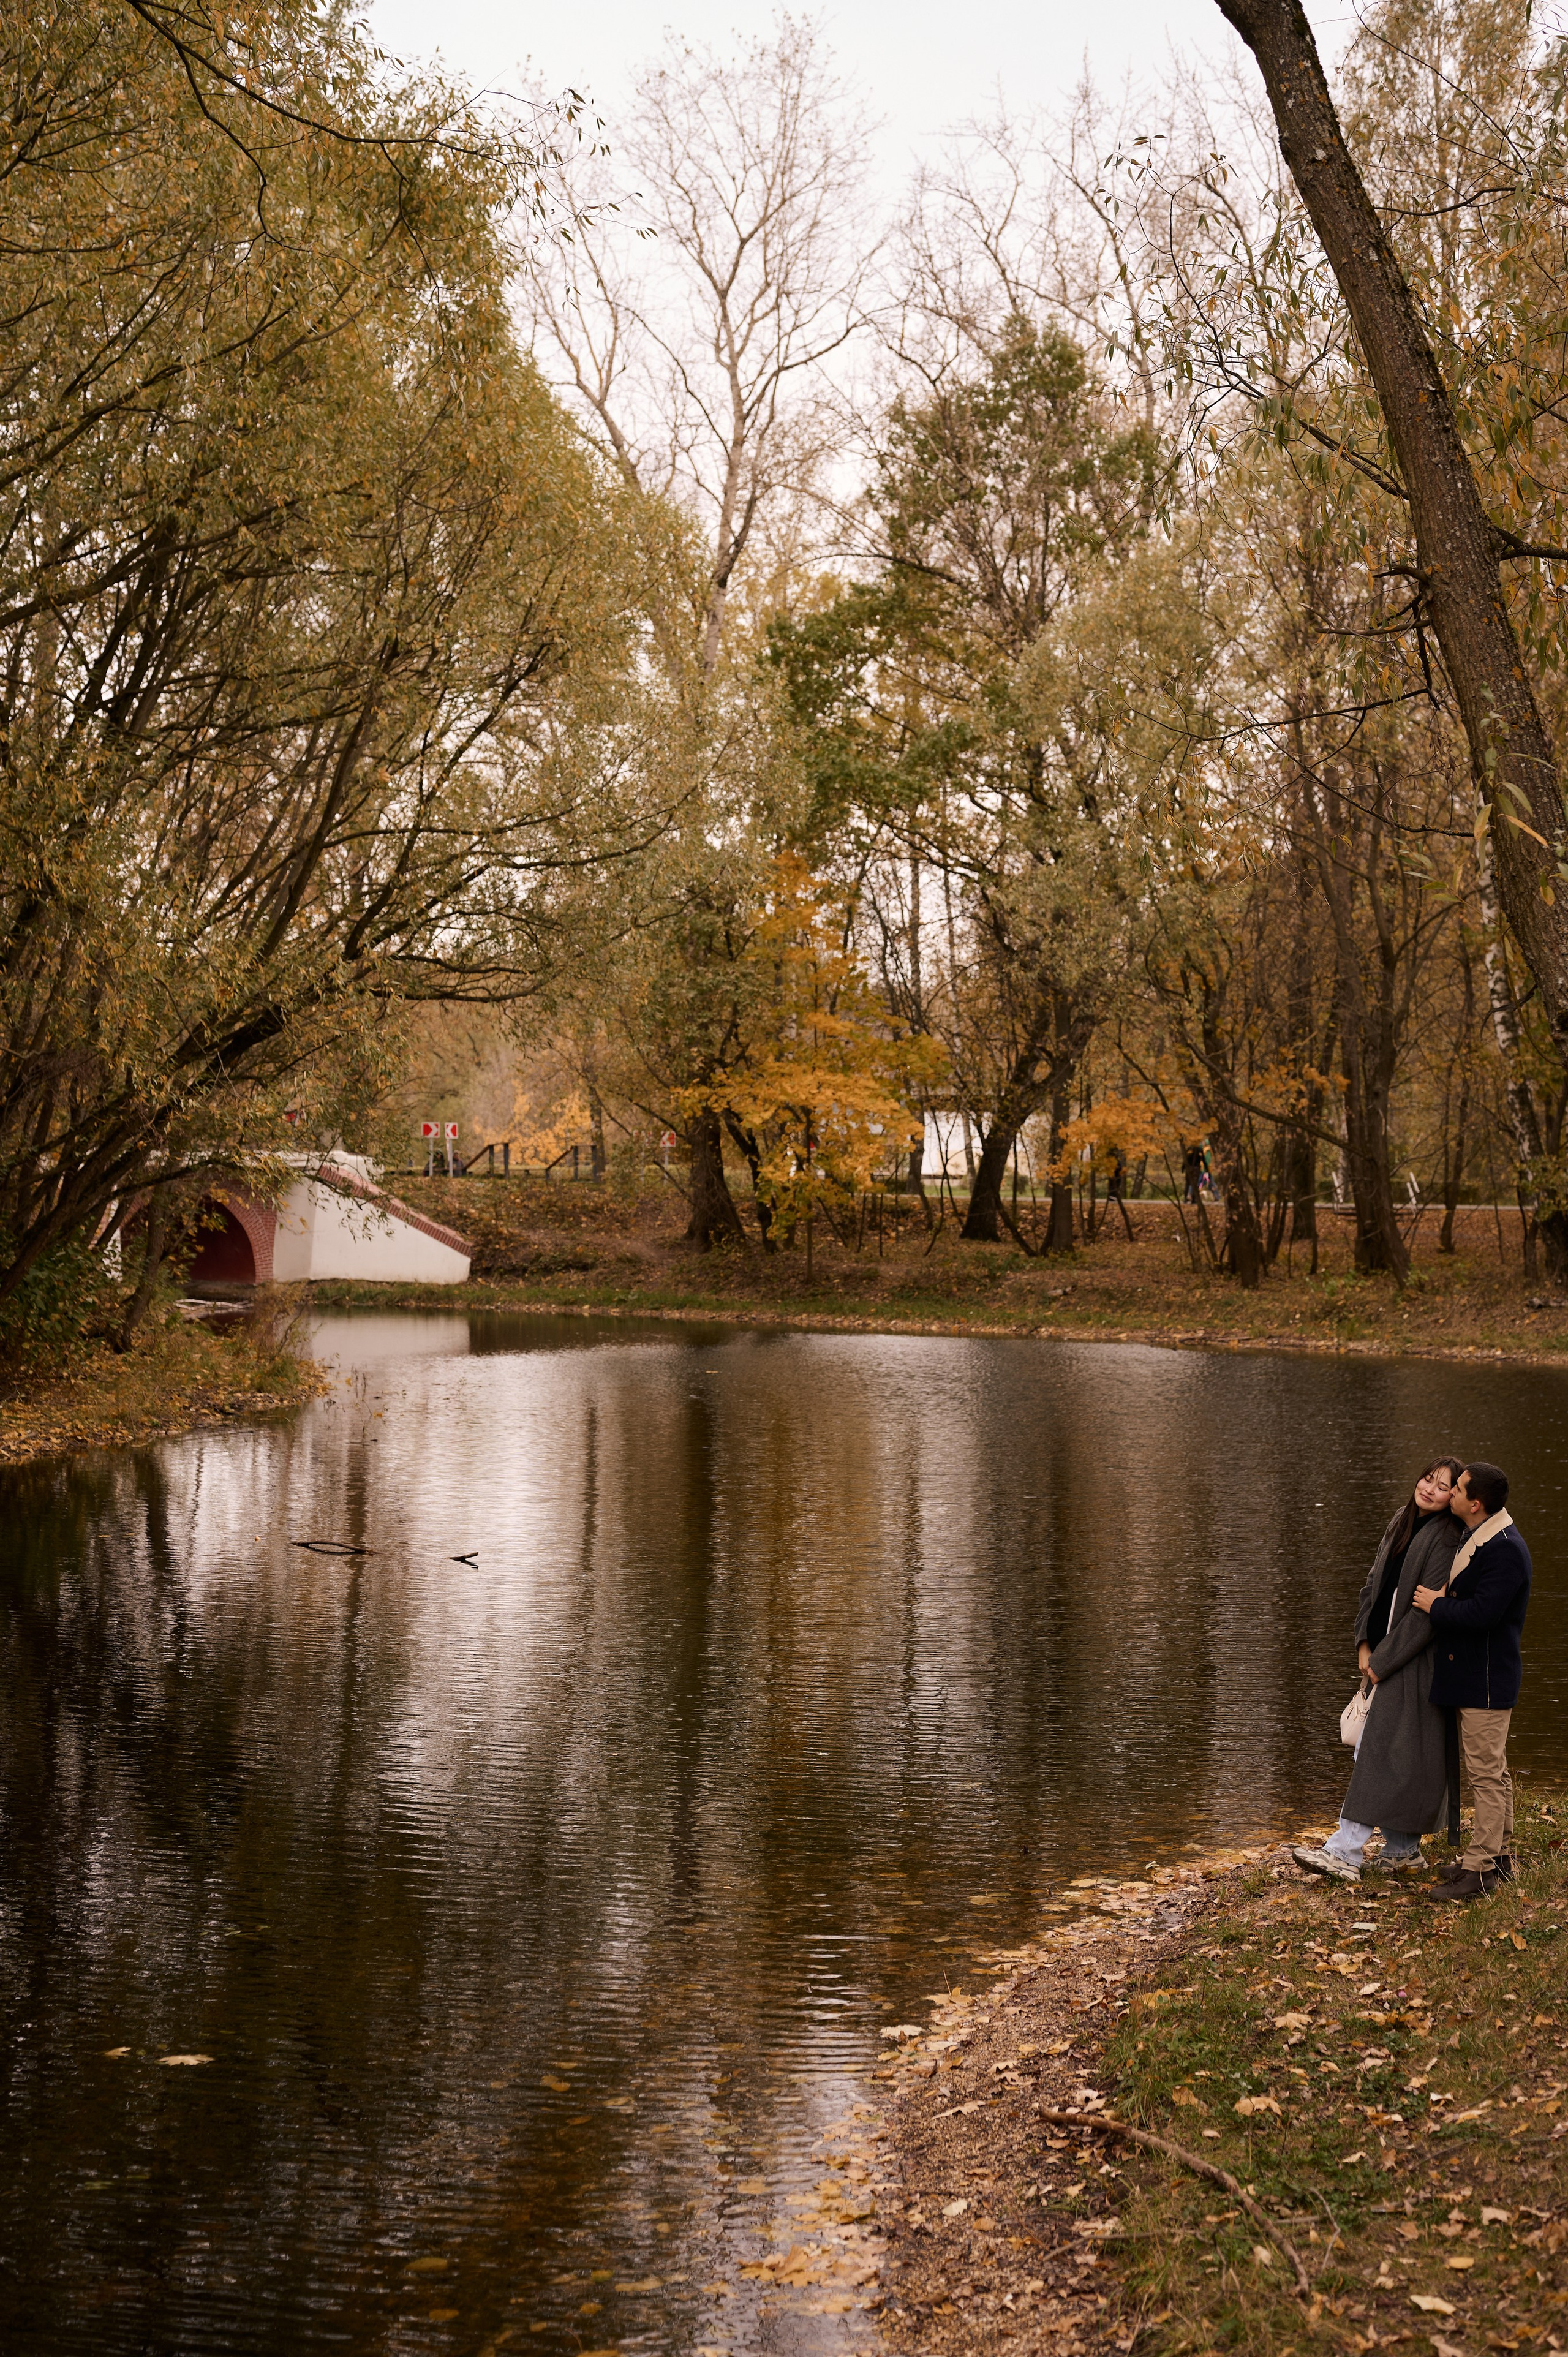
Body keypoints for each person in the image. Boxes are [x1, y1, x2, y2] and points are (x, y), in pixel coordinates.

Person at [1293, 1454, 1464, 1883]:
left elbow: (1426, 1616)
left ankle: (1345, 1852)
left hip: (1411, 1663)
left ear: (1454, 1497)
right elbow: (1372, 1585)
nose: (1429, 1488)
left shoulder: (1446, 1539)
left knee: (1380, 1753)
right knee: (1393, 1755)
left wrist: (1384, 1662)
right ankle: (1403, 1851)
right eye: (1427, 1478)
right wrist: (1364, 1645)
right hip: (1380, 1659)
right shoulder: (1400, 1521)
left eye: (1443, 1486)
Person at [1412, 1461, 1531, 1903]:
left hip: (1486, 1680)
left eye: (1457, 1489)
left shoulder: (1504, 1549)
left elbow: (1483, 1615)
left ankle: (1480, 1870)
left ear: (1475, 1503)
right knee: (1493, 1770)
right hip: (1476, 1676)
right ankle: (1498, 1857)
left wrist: (1435, 1605)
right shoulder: (1481, 1532)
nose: (1452, 1493)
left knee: (1484, 1774)